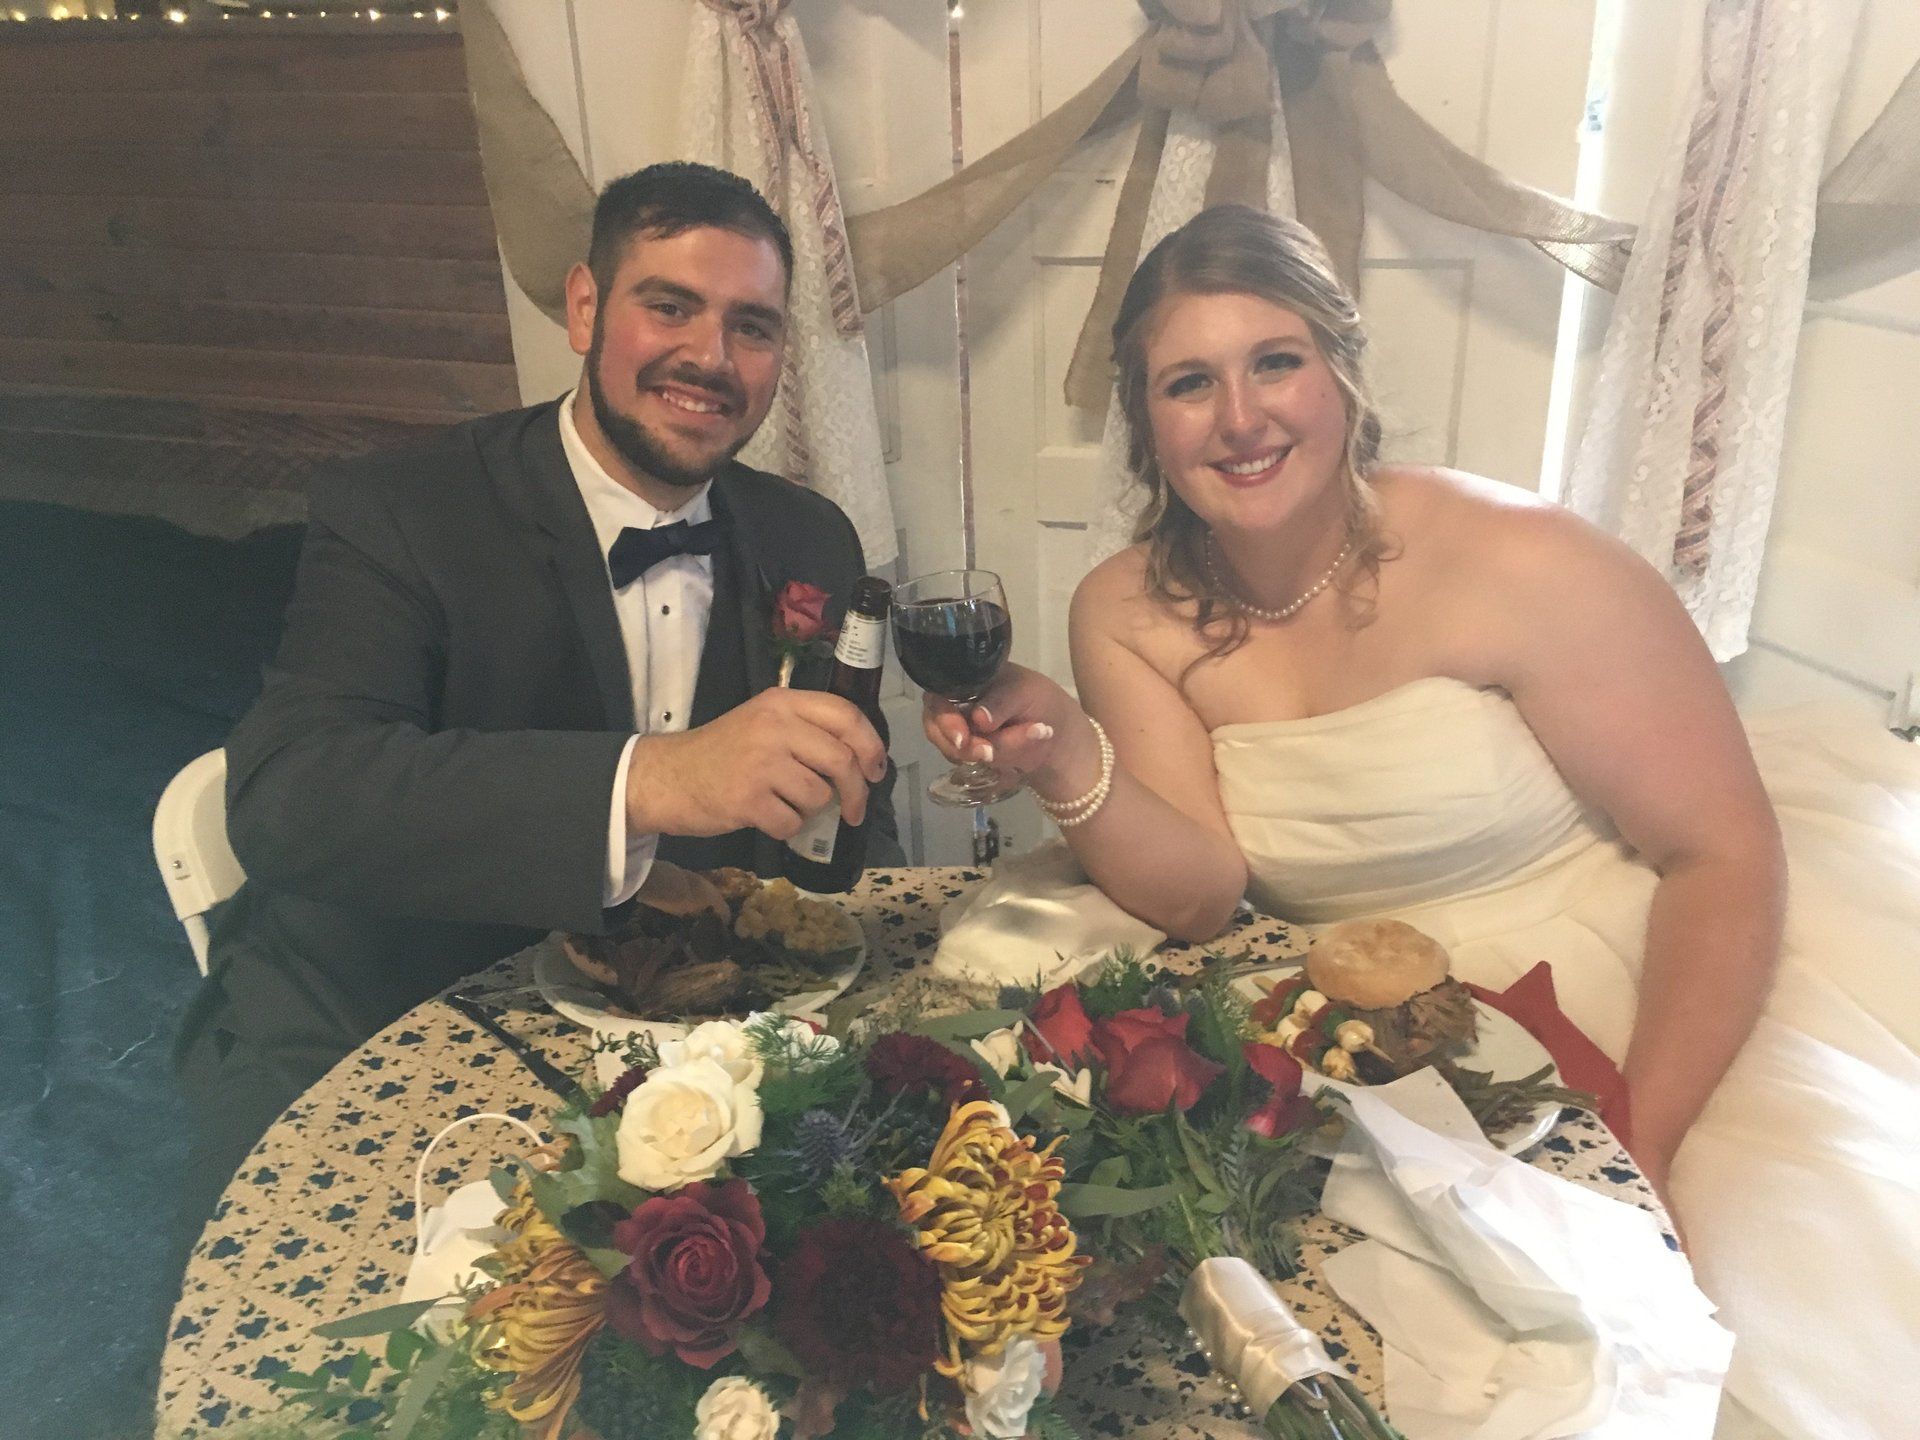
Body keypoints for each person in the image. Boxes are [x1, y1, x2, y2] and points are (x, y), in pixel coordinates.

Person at [924, 204, 1920, 1438]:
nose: (1240, 418)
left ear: (1341, 372)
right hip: (1354, 1038)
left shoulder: (1522, 561)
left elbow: (1718, 854)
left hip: (1629, 977)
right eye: (1191, 383)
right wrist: (1069, 754)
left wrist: (1640, 1150)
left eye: (1275, 362)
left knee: (1681, 1359)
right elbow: (1198, 893)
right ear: (1146, 424)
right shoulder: (1128, 606)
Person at [174, 162, 899, 1212]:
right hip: (375, 1022)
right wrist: (650, 781)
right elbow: (290, 794)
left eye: (754, 326)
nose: (712, 356)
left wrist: (862, 782)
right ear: (585, 306)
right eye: (670, 306)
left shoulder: (807, 537)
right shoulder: (400, 510)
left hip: (663, 1057)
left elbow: (814, 850)